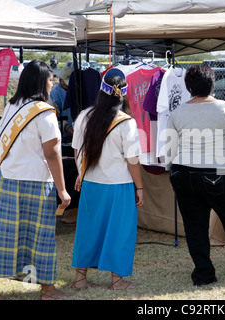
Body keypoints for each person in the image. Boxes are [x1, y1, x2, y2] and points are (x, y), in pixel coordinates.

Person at [0, 60, 71, 300]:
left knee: (2, 235)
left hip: (8, 179)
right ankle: (47, 290)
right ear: (42, 82)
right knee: (40, 237)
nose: (53, 83)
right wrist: (62, 190)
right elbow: (52, 153)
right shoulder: (45, 113)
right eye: (50, 79)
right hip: (38, 183)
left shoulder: (11, 106)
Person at [165, 65, 225, 286]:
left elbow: (169, 149)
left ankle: (203, 274)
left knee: (195, 227)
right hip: (219, 174)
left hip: (183, 173)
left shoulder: (178, 112)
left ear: (189, 87)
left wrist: (173, 173)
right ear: (213, 85)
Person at [70, 69, 143, 290]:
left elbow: (76, 151)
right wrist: (139, 187)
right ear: (125, 94)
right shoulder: (126, 122)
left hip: (91, 183)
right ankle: (117, 281)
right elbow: (132, 160)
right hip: (119, 185)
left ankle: (80, 279)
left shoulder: (84, 115)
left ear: (101, 92)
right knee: (120, 232)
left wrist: (81, 174)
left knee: (87, 231)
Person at [48, 66, 74, 139]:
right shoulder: (54, 94)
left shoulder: (78, 89)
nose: (70, 86)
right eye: (67, 84)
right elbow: (54, 117)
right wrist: (67, 127)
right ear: (60, 81)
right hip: (63, 136)